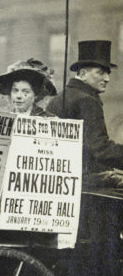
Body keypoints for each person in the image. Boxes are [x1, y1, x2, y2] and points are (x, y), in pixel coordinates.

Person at [47, 40, 123, 188]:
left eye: (107, 73)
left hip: (60, 180)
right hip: (85, 182)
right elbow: (99, 149)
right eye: (100, 73)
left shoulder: (60, 97)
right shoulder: (87, 100)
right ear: (82, 74)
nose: (107, 79)